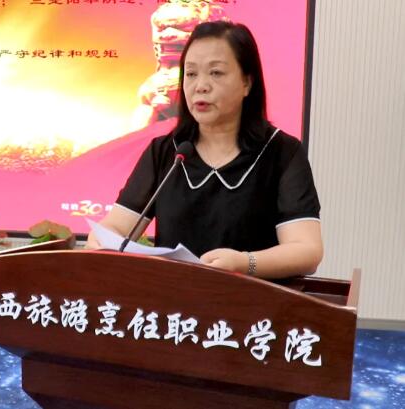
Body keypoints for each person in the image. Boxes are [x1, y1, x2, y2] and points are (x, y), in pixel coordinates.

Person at [85, 21, 323, 279]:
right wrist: (102, 239)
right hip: (173, 299)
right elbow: (117, 227)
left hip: (250, 300)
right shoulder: (167, 151)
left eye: (216, 73)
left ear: (247, 82)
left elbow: (307, 251)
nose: (200, 86)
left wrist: (245, 263)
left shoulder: (281, 152)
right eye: (191, 74)